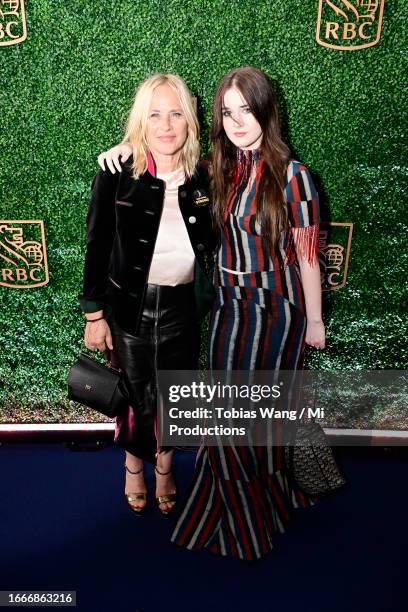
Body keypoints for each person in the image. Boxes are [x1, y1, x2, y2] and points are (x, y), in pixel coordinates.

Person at [98, 66, 325, 559]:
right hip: (225, 307)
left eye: (247, 109)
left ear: (268, 110)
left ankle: (248, 518)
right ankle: (252, 501)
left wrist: (313, 320)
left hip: (274, 311)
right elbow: (157, 159)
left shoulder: (294, 176)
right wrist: (121, 149)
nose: (238, 120)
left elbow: (308, 254)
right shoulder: (218, 166)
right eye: (227, 110)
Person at [80, 73, 214, 516]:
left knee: (175, 395)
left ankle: (165, 466)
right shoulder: (116, 172)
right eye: (155, 114)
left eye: (176, 113)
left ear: (190, 121)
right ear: (141, 121)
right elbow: (96, 245)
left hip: (183, 308)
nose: (166, 124)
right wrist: (93, 315)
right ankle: (134, 465)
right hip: (129, 307)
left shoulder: (207, 177)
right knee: (135, 396)